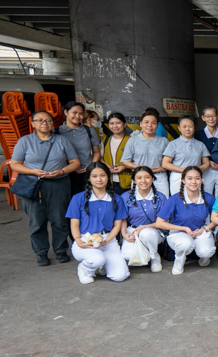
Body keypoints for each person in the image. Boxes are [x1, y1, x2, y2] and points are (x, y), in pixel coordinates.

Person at [10, 110, 80, 266]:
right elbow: (15, 164)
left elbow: (75, 162)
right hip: (33, 185)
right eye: (40, 120)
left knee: (60, 220)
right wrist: (33, 171)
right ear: (32, 123)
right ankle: (41, 253)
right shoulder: (25, 141)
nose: (44, 123)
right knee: (37, 221)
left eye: (48, 121)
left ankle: (61, 250)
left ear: (53, 124)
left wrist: (61, 171)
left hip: (59, 184)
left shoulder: (62, 141)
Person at [66, 162, 129, 284]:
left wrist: (106, 241)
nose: (99, 179)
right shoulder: (78, 198)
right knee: (97, 259)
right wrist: (78, 240)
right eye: (94, 176)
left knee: (120, 276)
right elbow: (74, 225)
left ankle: (104, 264)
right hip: (85, 239)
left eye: (103, 175)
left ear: (108, 177)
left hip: (108, 239)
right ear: (89, 178)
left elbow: (117, 226)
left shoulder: (117, 199)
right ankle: (85, 270)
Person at [156, 166, 217, 275]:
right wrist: (183, 228)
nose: (194, 181)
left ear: (202, 180)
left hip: (200, 231)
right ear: (183, 181)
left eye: (197, 178)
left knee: (206, 251)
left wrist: (205, 229)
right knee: (185, 244)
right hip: (179, 233)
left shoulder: (208, 198)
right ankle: (178, 263)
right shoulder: (174, 199)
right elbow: (159, 223)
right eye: (189, 178)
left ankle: (204, 259)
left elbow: (216, 219)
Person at [120, 166, 168, 273]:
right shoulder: (126, 197)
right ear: (134, 180)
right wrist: (124, 234)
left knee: (146, 233)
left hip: (154, 232)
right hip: (132, 230)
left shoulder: (160, 197)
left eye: (147, 177)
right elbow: (122, 219)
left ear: (153, 179)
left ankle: (154, 257)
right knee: (127, 255)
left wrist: (143, 227)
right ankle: (146, 250)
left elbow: (163, 222)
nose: (143, 181)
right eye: (139, 178)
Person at [55, 101, 101, 194]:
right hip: (65, 173)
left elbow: (96, 152)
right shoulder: (56, 132)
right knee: (69, 203)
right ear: (66, 112)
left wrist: (91, 166)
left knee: (87, 201)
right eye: (74, 113)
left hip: (86, 173)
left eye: (81, 114)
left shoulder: (89, 131)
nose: (78, 116)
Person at [121, 110, 170, 196]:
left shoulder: (164, 141)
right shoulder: (133, 140)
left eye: (153, 123)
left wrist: (163, 168)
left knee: (163, 202)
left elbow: (171, 162)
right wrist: (139, 167)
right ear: (141, 124)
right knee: (139, 204)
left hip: (159, 177)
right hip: (139, 177)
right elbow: (125, 161)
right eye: (146, 122)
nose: (149, 125)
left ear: (157, 125)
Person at [162, 116, 211, 196]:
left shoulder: (200, 144)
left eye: (190, 126)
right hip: (178, 176)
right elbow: (165, 163)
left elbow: (207, 163)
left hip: (195, 177)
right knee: (179, 200)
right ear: (179, 128)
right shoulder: (173, 144)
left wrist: (199, 169)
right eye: (184, 127)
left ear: (194, 128)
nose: (187, 129)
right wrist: (182, 170)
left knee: (196, 200)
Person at [194, 106, 218, 196]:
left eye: (213, 116)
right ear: (203, 118)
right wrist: (208, 162)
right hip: (206, 169)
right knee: (206, 194)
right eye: (207, 116)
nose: (211, 118)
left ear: (217, 117)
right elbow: (195, 153)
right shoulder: (198, 135)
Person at [102, 112, 131, 195]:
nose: (115, 126)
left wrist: (125, 166)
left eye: (118, 123)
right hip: (109, 181)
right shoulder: (105, 140)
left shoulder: (131, 141)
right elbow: (100, 157)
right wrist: (105, 164)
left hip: (127, 180)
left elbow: (138, 159)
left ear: (124, 124)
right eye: (111, 123)